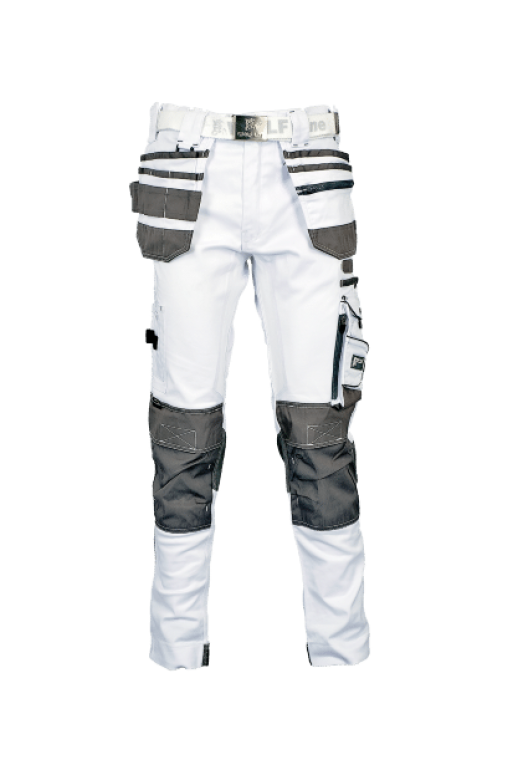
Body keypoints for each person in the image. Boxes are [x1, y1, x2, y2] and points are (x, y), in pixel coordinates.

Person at [130, 102, 371, 671]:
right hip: (185, 166)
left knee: (320, 439)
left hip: (307, 165)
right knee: (182, 439)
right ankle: (176, 655)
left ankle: (341, 653)